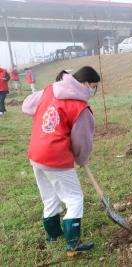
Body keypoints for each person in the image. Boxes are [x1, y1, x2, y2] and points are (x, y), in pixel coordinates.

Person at [22, 66, 100, 256]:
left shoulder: (50, 90)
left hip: (36, 154)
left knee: (50, 196)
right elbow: (82, 142)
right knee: (74, 198)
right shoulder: (80, 108)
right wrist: (81, 159)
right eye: (93, 86)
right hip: (55, 156)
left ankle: (53, 235)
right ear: (84, 83)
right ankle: (73, 244)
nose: (93, 91)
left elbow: (27, 106)